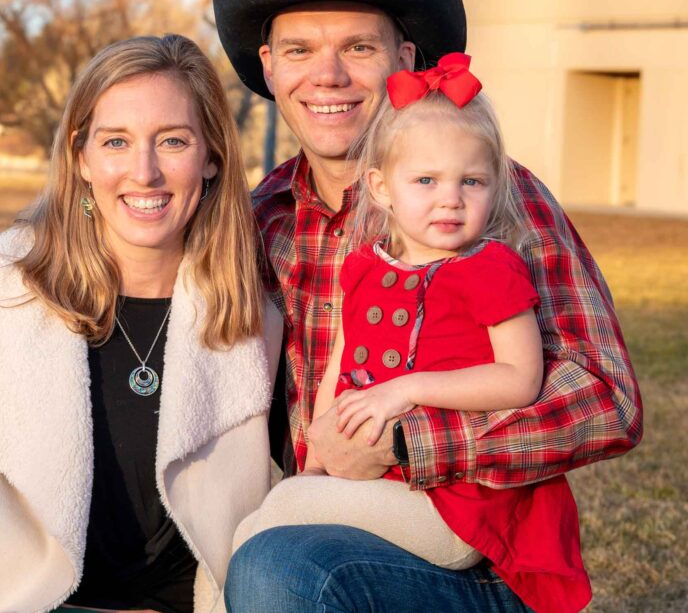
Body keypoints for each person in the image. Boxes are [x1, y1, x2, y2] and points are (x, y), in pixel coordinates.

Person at [211, 0, 642, 611]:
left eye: (357, 46)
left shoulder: (488, 198)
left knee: (274, 564)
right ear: (268, 67)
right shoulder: (260, 221)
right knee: (241, 556)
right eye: (298, 50)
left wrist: (410, 442)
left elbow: (606, 399)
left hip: (472, 554)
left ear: (405, 61)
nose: (327, 75)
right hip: (326, 514)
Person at [0, 34, 282, 613]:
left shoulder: (251, 316)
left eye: (172, 141)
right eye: (116, 141)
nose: (145, 172)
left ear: (212, 155)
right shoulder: (1, 290)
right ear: (81, 156)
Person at [233, 56, 591, 612]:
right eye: (426, 180)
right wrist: (320, 460)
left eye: (472, 181)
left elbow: (520, 379)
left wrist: (406, 390)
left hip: (458, 510)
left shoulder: (490, 267)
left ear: (497, 186)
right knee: (271, 519)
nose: (450, 198)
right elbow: (340, 366)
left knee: (273, 523)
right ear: (381, 186)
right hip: (380, 496)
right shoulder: (362, 268)